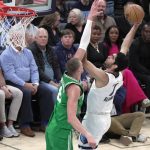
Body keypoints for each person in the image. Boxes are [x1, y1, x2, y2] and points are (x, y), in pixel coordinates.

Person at [72, 0, 140, 149]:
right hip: (104, 119)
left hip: (94, 121)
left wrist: (89, 21)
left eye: (112, 57)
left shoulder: (104, 77)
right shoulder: (119, 73)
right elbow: (125, 46)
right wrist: (135, 26)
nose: (109, 56)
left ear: (114, 65)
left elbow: (83, 58)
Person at [45, 1, 102, 149]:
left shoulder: (67, 74)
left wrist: (90, 18)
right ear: (80, 69)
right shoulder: (74, 88)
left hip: (55, 127)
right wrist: (88, 134)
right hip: (61, 132)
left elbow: (83, 44)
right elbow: (71, 118)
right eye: (82, 63)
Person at [0, 41, 54, 137]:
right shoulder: (6, 54)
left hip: (31, 82)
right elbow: (10, 75)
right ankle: (25, 124)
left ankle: (45, 123)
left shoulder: (28, 52)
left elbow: (34, 69)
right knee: (26, 92)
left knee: (47, 91)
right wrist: (25, 84)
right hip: (15, 83)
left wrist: (35, 84)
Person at [102, 25, 150, 112]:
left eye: (116, 33)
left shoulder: (120, 45)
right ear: (107, 34)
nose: (114, 35)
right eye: (111, 33)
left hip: (120, 69)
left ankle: (139, 102)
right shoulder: (104, 46)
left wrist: (135, 26)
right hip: (111, 70)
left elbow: (124, 48)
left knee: (127, 73)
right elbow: (104, 61)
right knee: (129, 73)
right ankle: (141, 100)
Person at [28, 27, 61, 103]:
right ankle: (55, 114)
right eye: (40, 37)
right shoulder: (31, 50)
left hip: (53, 80)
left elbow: (56, 67)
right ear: (35, 38)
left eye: (45, 37)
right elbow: (37, 70)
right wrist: (52, 83)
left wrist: (60, 80)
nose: (43, 39)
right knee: (55, 90)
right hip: (40, 81)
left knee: (67, 88)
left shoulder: (51, 49)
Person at [0, 64, 23, 138]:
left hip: (1, 86)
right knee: (1, 94)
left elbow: (1, 76)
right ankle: (3, 126)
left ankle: (10, 124)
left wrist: (4, 87)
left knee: (18, 93)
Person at [129, 22, 150, 99]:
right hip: (136, 71)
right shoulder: (136, 44)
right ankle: (148, 103)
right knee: (148, 79)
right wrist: (147, 72)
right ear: (142, 32)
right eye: (146, 31)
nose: (148, 34)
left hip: (147, 69)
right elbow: (135, 64)